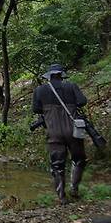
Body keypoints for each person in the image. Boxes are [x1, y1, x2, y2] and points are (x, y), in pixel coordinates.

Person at [32, 63, 87, 204]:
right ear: (61, 75)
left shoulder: (39, 90)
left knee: (57, 165)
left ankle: (62, 197)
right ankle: (74, 188)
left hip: (53, 131)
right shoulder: (71, 86)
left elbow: (36, 109)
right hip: (73, 131)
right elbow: (82, 101)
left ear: (49, 76)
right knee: (79, 159)